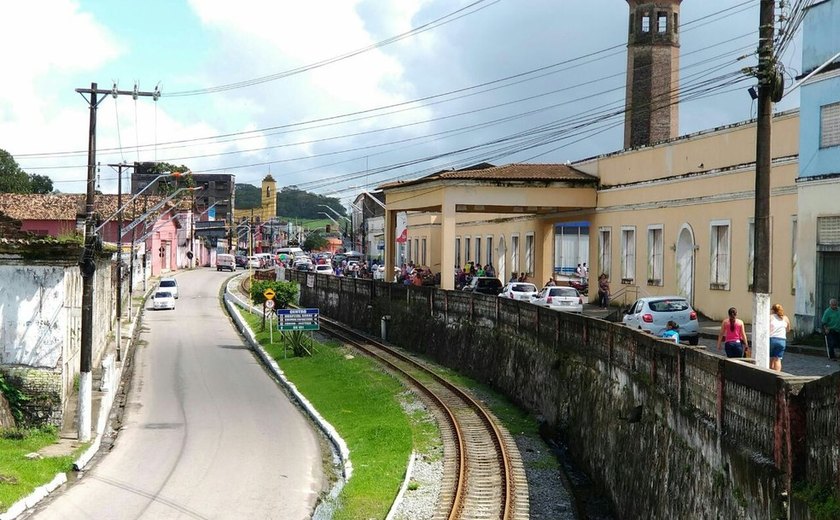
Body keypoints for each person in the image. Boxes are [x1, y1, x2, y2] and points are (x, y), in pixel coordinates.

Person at [769, 303, 791, 371]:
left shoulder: (770, 317)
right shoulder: (785, 318)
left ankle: (770, 373)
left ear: (773, 310)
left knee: (770, 358)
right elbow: (788, 329)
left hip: (772, 339)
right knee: (778, 359)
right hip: (782, 340)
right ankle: (778, 374)